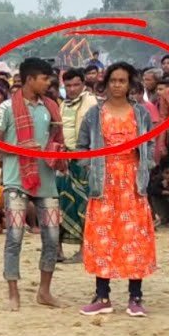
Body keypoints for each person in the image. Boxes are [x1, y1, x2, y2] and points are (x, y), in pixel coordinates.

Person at [76, 62, 158, 317]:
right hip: (103, 183)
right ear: (105, 83)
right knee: (103, 237)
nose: (117, 85)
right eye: (113, 80)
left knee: (134, 239)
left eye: (122, 81)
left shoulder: (141, 113)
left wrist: (145, 162)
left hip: (133, 184)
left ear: (130, 84)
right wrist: (91, 166)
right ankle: (102, 296)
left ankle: (135, 297)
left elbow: (151, 145)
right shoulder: (94, 114)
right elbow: (81, 147)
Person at [0, 58, 67, 311]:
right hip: (16, 179)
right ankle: (14, 293)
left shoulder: (51, 107)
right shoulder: (6, 108)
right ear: (30, 79)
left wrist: (57, 151)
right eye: (45, 79)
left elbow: (56, 138)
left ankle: (44, 291)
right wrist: (18, 148)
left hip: (46, 179)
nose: (49, 83)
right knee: (14, 236)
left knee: (53, 237)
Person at [57, 68, 97, 262]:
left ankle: (84, 249)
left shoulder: (92, 103)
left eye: (75, 85)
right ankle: (58, 249)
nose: (72, 89)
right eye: (68, 86)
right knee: (63, 204)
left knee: (85, 205)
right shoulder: (63, 105)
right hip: (65, 160)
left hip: (86, 160)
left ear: (83, 84)